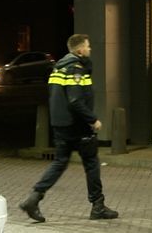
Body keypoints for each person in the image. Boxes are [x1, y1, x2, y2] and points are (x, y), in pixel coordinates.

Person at [18, 34, 119, 222]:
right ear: (80, 50)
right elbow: (75, 101)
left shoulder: (58, 67)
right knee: (91, 163)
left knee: (59, 162)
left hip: (60, 124)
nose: (90, 50)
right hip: (77, 126)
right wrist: (92, 119)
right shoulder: (76, 69)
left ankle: (34, 198)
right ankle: (98, 206)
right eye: (88, 47)